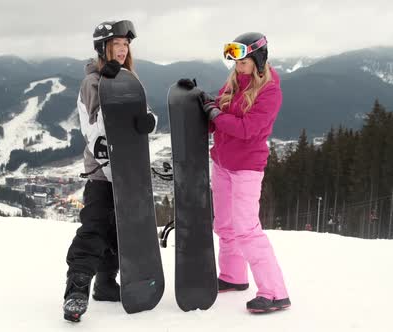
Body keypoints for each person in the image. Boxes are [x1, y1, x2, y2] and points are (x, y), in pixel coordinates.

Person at [178, 32, 291, 313]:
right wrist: (195, 101)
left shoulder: (270, 91)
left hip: (247, 168)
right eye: (235, 62)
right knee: (225, 226)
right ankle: (232, 277)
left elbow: (246, 129)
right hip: (222, 164)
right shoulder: (233, 84)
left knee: (246, 229)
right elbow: (215, 121)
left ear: (258, 59)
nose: (238, 67)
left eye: (243, 62)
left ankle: (275, 292)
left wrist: (216, 114)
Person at [62, 20, 157, 322]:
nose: (121, 49)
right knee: (94, 229)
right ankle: (77, 288)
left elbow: (139, 114)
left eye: (125, 45)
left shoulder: (128, 78)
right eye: (116, 44)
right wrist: (108, 93)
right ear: (103, 47)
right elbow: (93, 130)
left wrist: (147, 122)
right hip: (103, 174)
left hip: (128, 172)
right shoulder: (92, 81)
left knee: (123, 232)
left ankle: (105, 283)